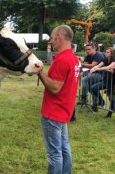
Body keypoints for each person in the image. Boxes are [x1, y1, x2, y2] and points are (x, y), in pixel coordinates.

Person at [36, 25, 80, 174]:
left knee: (54, 154)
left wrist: (40, 73)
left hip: (53, 113)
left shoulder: (62, 59)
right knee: (64, 148)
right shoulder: (74, 59)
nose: (51, 41)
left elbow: (55, 88)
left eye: (52, 38)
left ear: (59, 38)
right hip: (64, 111)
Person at [90, 47, 115, 117]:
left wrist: (98, 69)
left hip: (113, 82)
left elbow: (108, 67)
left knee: (111, 97)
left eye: (108, 52)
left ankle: (110, 112)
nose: (105, 53)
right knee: (94, 88)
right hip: (105, 80)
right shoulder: (105, 59)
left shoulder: (114, 60)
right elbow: (99, 65)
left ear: (112, 54)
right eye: (105, 52)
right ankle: (101, 101)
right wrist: (93, 69)